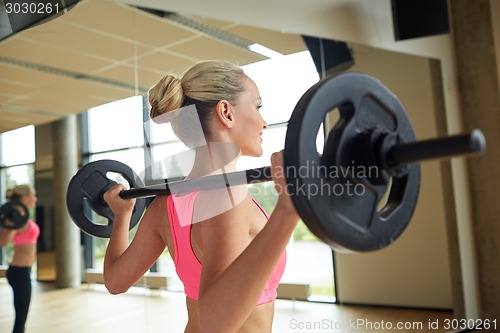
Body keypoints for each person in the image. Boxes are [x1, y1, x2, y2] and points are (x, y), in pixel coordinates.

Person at [103, 60, 300, 333]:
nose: (264, 123)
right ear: (226, 112)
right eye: (257, 107)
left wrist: (122, 216)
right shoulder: (226, 200)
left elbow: (116, 281)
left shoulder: (165, 205)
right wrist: (288, 210)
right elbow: (215, 325)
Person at [0, 184, 39, 333]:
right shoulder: (16, 215)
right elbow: (3, 242)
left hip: (23, 271)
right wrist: (10, 223)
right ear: (24, 197)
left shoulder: (22, 215)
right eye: (33, 195)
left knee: (21, 317)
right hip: (19, 273)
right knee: (21, 320)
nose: (35, 198)